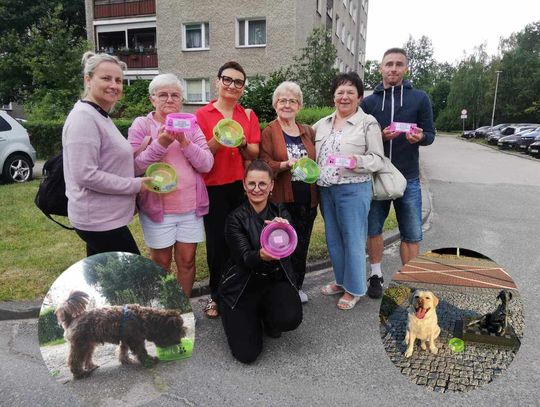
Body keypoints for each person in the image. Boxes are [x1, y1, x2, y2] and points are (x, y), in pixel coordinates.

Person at [128, 73, 214, 298]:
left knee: (186, 262)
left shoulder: (191, 126)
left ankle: (182, 309)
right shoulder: (142, 125)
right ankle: (161, 311)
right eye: (163, 95)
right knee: (161, 264)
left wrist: (184, 141)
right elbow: (135, 166)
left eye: (175, 95)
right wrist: (162, 142)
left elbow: (206, 163)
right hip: (158, 211)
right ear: (152, 99)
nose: (169, 99)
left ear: (181, 100)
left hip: (190, 209)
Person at [361, 48, 436, 299]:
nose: (393, 69)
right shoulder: (369, 102)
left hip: (409, 178)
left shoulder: (420, 98)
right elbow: (360, 138)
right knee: (373, 229)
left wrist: (421, 137)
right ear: (380, 68)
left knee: (412, 233)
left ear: (406, 69)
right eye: (389, 64)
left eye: (399, 64)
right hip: (378, 176)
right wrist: (380, 137)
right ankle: (375, 275)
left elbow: (430, 135)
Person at [63, 52, 151, 256]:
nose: (114, 85)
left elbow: (108, 160)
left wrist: (137, 153)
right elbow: (85, 175)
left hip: (104, 219)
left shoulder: (99, 115)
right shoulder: (84, 118)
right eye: (106, 78)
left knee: (102, 281)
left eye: (118, 80)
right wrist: (136, 185)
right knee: (132, 276)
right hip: (98, 221)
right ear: (88, 80)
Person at [313, 72, 384, 310]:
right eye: (340, 92)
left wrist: (355, 161)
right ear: (333, 97)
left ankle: (355, 289)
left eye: (350, 93)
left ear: (360, 97)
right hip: (326, 190)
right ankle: (341, 281)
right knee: (334, 240)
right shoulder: (322, 123)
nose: (344, 97)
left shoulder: (368, 123)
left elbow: (378, 160)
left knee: (352, 239)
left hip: (353, 189)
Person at [220, 160, 302, 363]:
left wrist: (286, 230)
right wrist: (261, 255)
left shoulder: (280, 212)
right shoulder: (235, 219)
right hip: (243, 285)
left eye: (263, 184)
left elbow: (292, 249)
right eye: (252, 184)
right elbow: (245, 258)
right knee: (247, 355)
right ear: (244, 185)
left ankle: (268, 317)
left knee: (290, 318)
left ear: (272, 185)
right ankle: (243, 315)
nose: (257, 189)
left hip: (273, 280)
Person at [195, 61, 261, 318]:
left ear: (243, 88)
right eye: (228, 80)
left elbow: (254, 150)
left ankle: (238, 289)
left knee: (241, 241)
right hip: (213, 187)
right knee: (217, 243)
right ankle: (215, 296)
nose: (232, 85)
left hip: (240, 187)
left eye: (238, 82)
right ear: (218, 81)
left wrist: (242, 142)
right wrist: (219, 138)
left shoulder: (248, 115)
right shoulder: (202, 115)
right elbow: (200, 154)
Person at [259, 81, 318, 304]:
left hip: (308, 198)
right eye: (282, 100)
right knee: (281, 245)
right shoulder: (270, 131)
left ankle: (297, 286)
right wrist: (284, 164)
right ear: (275, 104)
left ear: (299, 106)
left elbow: (315, 161)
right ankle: (280, 289)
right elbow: (264, 163)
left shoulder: (308, 131)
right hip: (282, 199)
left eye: (292, 101)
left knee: (301, 244)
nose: (287, 104)